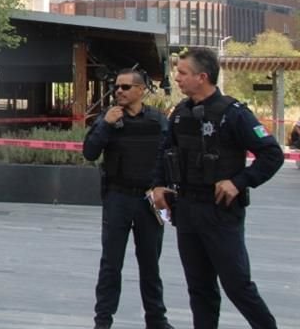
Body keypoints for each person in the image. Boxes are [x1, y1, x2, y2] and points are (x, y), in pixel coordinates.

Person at [151, 47, 283, 329]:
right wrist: (158, 185)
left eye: (183, 73)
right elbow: (165, 151)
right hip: (186, 211)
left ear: (202, 77)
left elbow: (272, 154)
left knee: (237, 286)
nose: (177, 78)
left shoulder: (233, 114)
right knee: (199, 289)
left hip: (220, 213)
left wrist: (239, 182)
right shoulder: (179, 114)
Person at [82, 69, 174, 329]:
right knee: (111, 264)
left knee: (150, 265)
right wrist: (104, 124)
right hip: (118, 198)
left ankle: (156, 320)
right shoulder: (108, 119)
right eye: (116, 87)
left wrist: (165, 190)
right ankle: (103, 322)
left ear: (140, 90)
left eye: (125, 87)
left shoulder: (158, 120)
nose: (118, 91)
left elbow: (170, 156)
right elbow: (89, 152)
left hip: (148, 200)